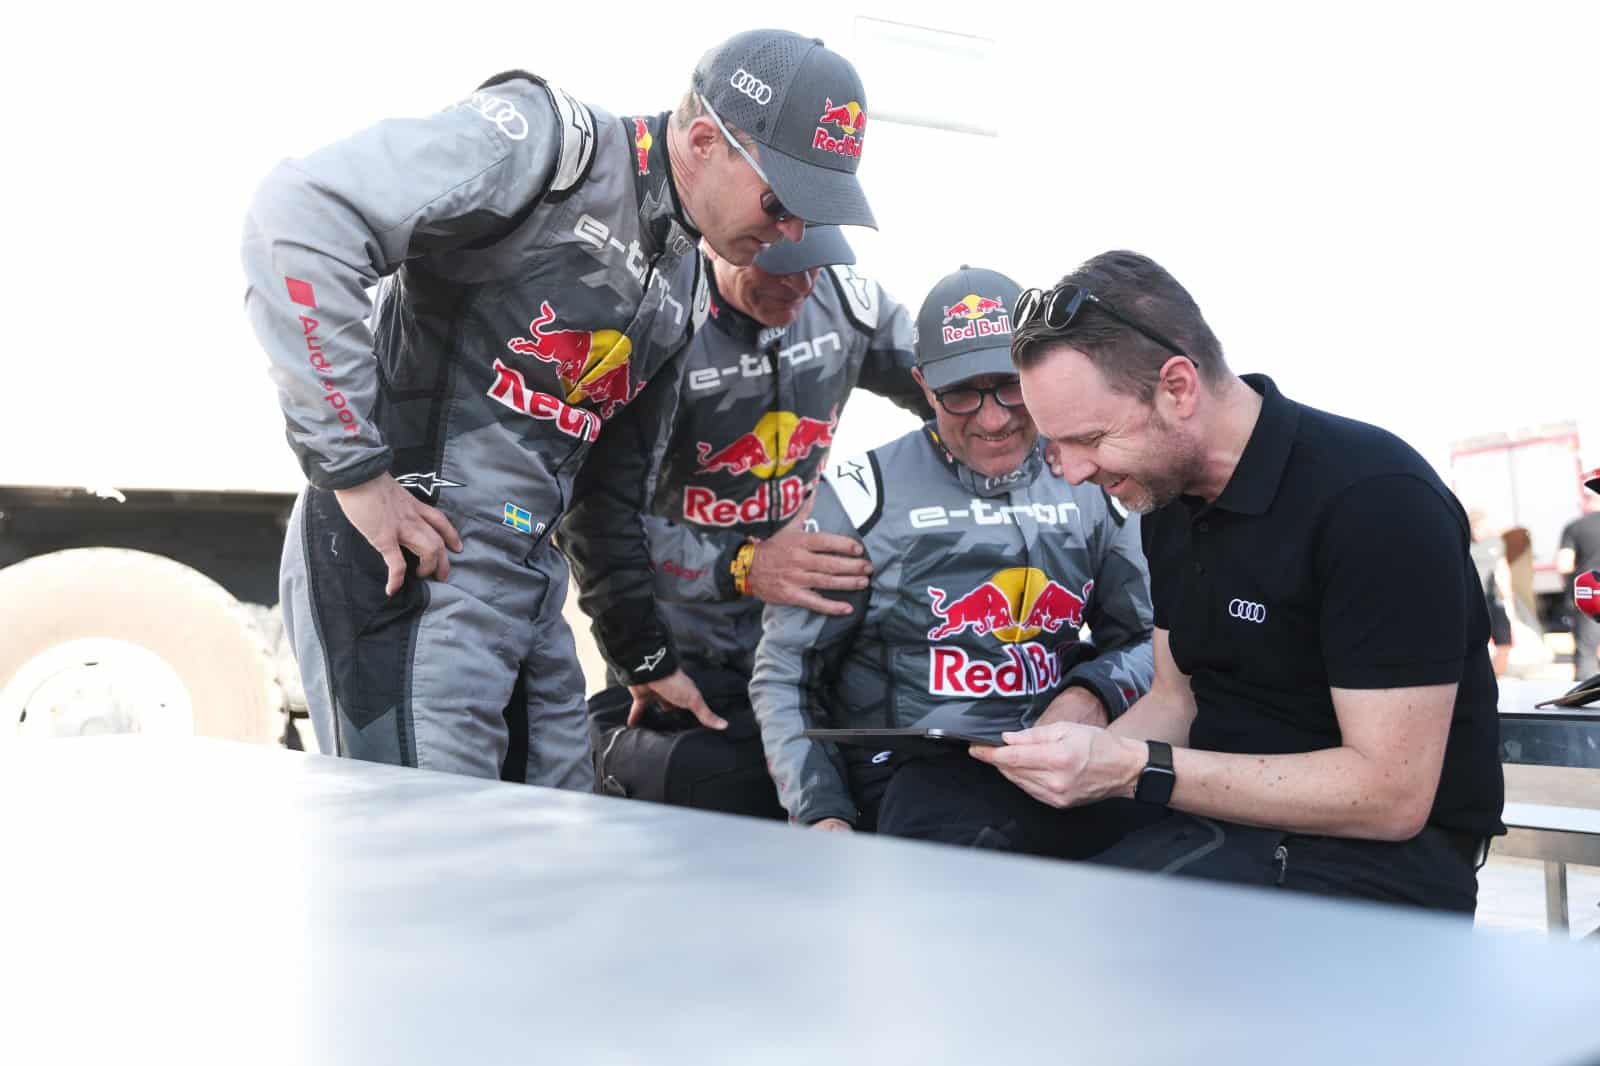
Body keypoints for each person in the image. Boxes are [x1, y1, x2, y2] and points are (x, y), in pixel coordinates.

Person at [241, 29, 877, 783]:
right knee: (429, 842)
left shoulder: (684, 282)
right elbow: (301, 216)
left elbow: (605, 495)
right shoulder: (552, 149)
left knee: (557, 830)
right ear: (706, 141)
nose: (793, 234)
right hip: (410, 560)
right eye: (782, 203)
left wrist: (643, 655)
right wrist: (355, 473)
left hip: (526, 584)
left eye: (812, 212)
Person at [976, 250, 1504, 914]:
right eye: (1058, 446)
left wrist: (1135, 770)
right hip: (1217, 825)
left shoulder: (1375, 499)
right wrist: (1066, 760)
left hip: (1377, 869)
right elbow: (1175, 703)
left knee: (1070, 921)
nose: (1076, 471)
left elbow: (1390, 796)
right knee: (958, 824)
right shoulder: (1166, 503)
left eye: (1091, 438)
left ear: (1177, 388)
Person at [748, 267, 1158, 855]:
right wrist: (822, 815)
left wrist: (1092, 695)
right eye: (961, 393)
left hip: (1063, 763)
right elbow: (788, 673)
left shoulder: (1094, 476)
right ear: (922, 384)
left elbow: (1149, 639)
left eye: (1010, 385)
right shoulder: (861, 498)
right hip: (914, 777)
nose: (993, 419)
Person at [564, 224, 928, 817]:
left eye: (816, 266)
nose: (801, 287)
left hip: (793, 645)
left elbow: (958, 396)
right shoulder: (660, 322)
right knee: (688, 812)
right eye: (781, 269)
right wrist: (741, 567)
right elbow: (595, 519)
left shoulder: (847, 306)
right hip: (680, 643)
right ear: (719, 245)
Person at [1558, 476, 1600, 676]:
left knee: (1586, 652)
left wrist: (1569, 590)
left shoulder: (1575, 526)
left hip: (1591, 595)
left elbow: (1564, 564)